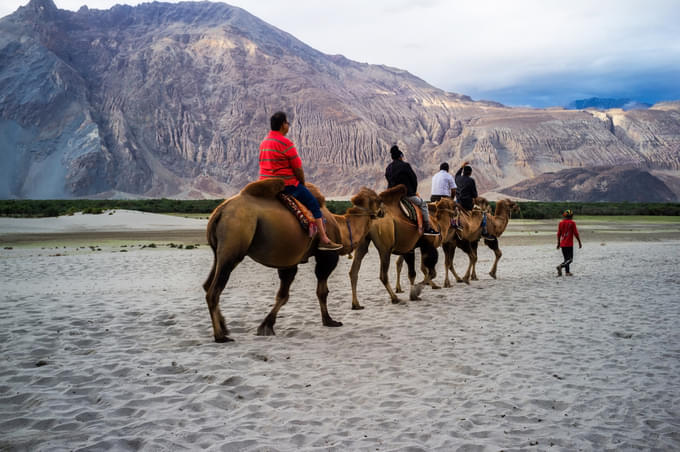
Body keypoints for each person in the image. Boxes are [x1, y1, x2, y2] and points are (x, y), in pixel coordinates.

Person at [259, 111, 342, 251]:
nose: (288, 125)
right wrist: (301, 183)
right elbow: (297, 168)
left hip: (265, 184)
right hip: (285, 185)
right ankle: (323, 238)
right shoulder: (285, 143)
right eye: (287, 123)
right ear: (282, 125)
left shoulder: (264, 142)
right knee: (313, 204)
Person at [385, 145, 439, 236]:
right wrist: (413, 191)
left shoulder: (388, 168)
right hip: (406, 195)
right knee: (423, 205)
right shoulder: (405, 166)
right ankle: (427, 228)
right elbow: (413, 179)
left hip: (391, 197)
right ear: (400, 156)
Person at [556, 209, 582, 276]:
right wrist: (579, 242)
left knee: (566, 259)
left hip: (563, 244)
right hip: (569, 244)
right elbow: (576, 233)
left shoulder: (561, 223)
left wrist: (558, 243)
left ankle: (567, 272)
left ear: (564, 216)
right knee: (570, 260)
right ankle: (560, 266)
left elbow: (558, 234)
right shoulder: (572, 223)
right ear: (571, 216)